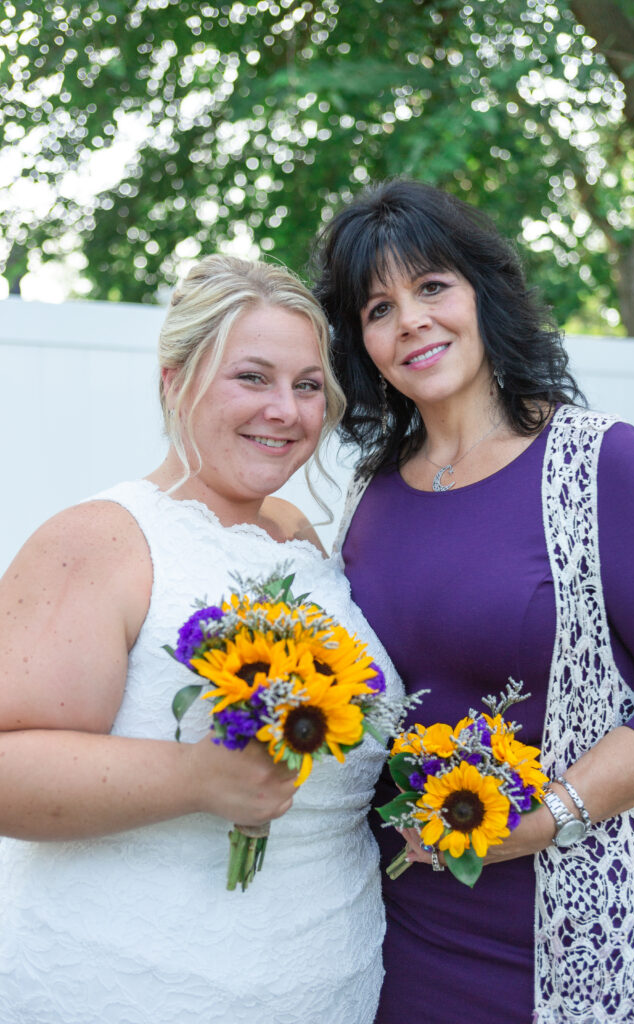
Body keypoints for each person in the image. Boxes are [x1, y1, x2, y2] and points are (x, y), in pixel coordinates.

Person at [312, 179, 634, 1024]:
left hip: (574, 928)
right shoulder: (368, 496)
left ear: (484, 295)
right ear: (360, 343)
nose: (409, 320)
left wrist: (549, 816)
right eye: (378, 307)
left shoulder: (597, 463)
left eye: (432, 286)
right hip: (399, 934)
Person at [0, 255, 403, 1024]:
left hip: (326, 979)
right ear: (173, 380)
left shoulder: (298, 538)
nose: (285, 410)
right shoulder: (102, 538)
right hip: (134, 984)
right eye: (251, 377)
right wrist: (196, 778)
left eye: (307, 385)